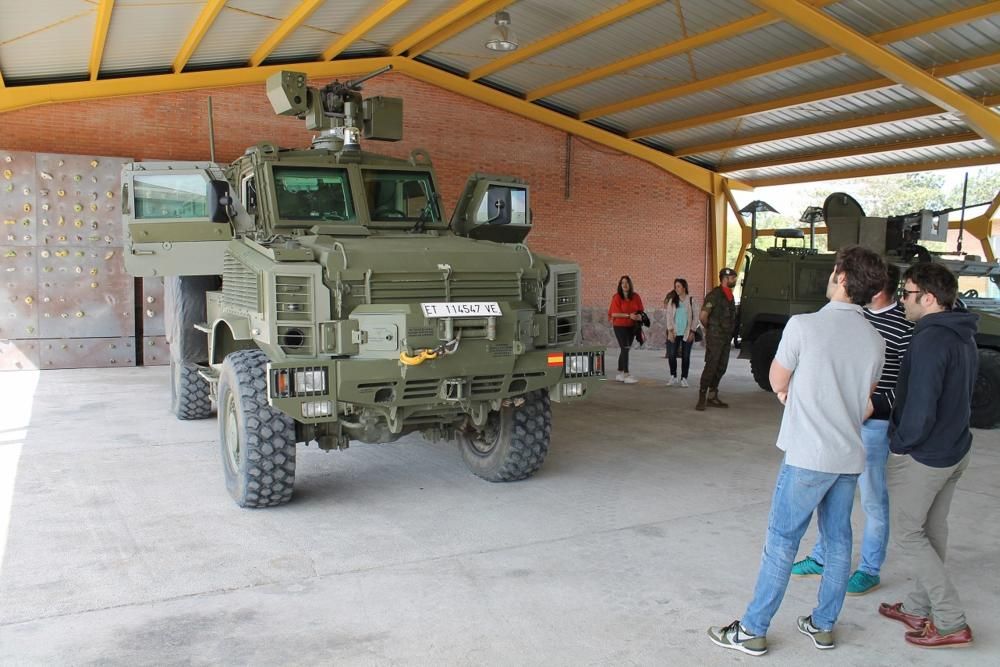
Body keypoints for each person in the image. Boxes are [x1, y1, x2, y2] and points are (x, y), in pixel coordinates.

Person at [707, 246, 886, 656]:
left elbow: (775, 378)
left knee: (782, 541)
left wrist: (792, 392)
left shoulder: (804, 326)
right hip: (847, 456)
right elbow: (866, 400)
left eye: (835, 269)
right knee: (839, 542)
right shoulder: (875, 341)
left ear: (841, 277)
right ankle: (822, 625)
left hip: (808, 455)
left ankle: (753, 629)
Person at [792, 263, 913, 595]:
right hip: (838, 423)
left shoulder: (903, 326)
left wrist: (873, 406)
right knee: (828, 493)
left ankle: (870, 568)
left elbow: (904, 383)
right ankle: (820, 556)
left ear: (877, 287)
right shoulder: (852, 315)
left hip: (873, 426)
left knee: (873, 499)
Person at [878, 262, 977, 649]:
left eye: (907, 293)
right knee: (932, 531)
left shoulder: (930, 339)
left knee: (908, 533)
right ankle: (919, 607)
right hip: (955, 449)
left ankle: (950, 620)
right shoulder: (960, 331)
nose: (902, 299)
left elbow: (920, 408)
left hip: (928, 456)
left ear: (929, 298)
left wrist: (901, 443)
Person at [696, 268, 738, 410]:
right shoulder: (715, 295)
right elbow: (703, 316)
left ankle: (712, 396)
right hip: (715, 338)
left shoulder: (730, 296)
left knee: (721, 367)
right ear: (725, 278)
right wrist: (711, 329)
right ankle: (702, 397)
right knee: (711, 366)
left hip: (726, 338)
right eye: (733, 278)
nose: (735, 280)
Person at [608, 275, 644, 384]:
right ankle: (626, 374)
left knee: (625, 349)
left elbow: (641, 310)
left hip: (632, 326)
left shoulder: (636, 296)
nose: (625, 285)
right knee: (625, 347)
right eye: (622, 282)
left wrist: (639, 316)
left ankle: (620, 373)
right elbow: (614, 313)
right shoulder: (617, 297)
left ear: (630, 284)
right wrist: (629, 316)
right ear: (620, 285)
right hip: (619, 326)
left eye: (627, 282)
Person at [663, 278, 696, 387]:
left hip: (687, 332)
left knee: (686, 356)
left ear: (684, 287)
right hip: (674, 332)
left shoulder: (691, 300)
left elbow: (695, 318)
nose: (676, 288)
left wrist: (692, 331)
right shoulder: (672, 301)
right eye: (675, 286)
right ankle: (673, 376)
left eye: (678, 286)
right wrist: (670, 331)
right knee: (672, 355)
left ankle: (684, 378)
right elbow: (668, 316)